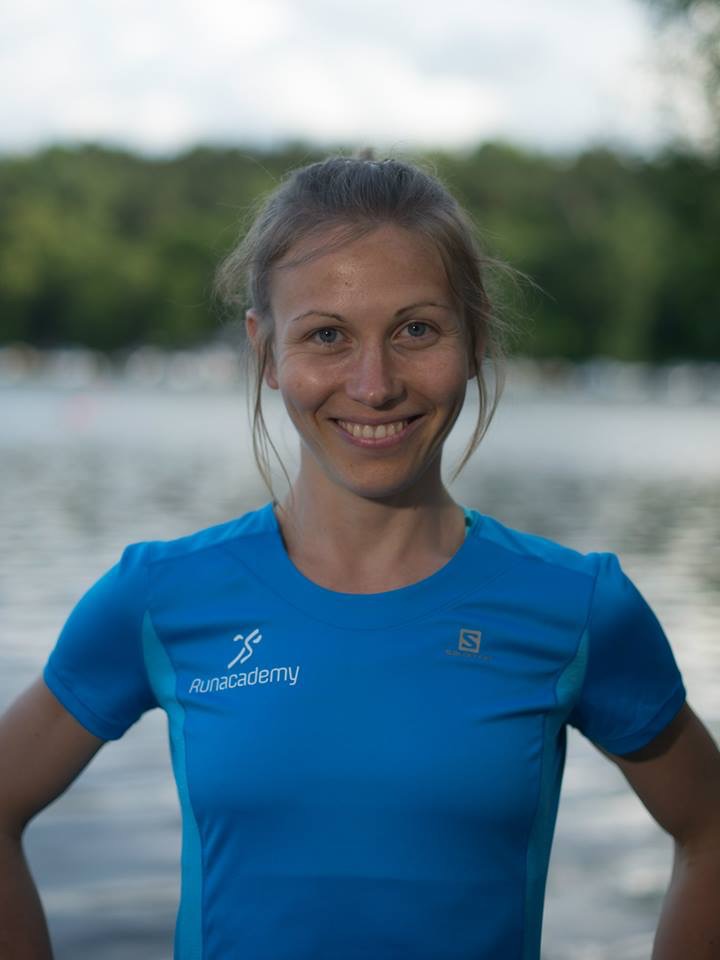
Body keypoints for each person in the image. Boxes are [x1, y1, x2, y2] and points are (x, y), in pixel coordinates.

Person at [1, 154, 719, 960]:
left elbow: (710, 830)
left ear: (475, 337)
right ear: (265, 352)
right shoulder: (160, 597)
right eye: (327, 336)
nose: (374, 385)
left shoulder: (577, 608)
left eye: (416, 330)